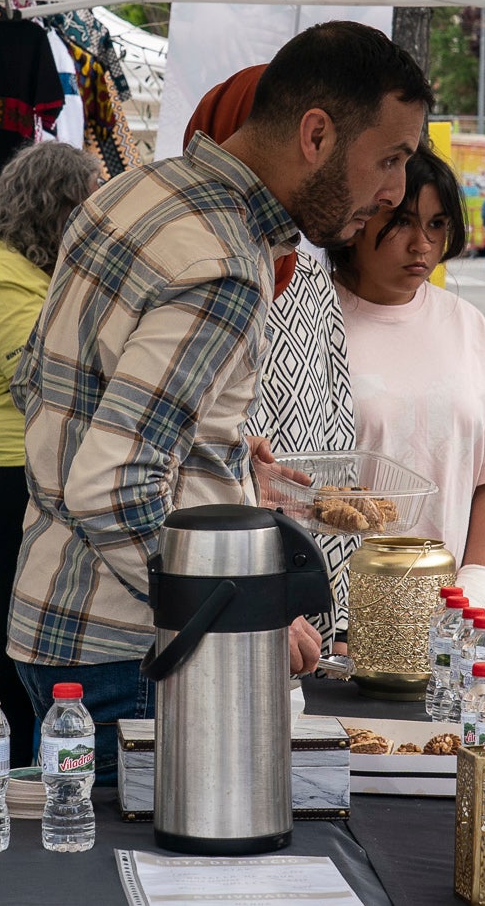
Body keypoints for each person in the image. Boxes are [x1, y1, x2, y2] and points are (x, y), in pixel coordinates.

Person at [10, 21, 431, 773]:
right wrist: (243, 615)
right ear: (316, 135)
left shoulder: (137, 192)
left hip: (62, 622)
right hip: (136, 653)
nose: (395, 191)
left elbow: (48, 392)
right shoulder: (223, 263)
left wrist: (219, 452)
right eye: (391, 158)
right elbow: (113, 486)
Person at [184, 67, 359, 645]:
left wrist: (333, 601)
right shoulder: (203, 266)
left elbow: (335, 429)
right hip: (213, 572)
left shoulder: (304, 272)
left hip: (290, 561)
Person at [331, 145, 485, 616]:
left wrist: (476, 586)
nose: (421, 244)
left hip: (452, 610)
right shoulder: (311, 320)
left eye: (437, 224)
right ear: (357, 221)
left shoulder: (468, 326)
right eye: (401, 221)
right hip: (336, 615)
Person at [0, 142, 101, 761]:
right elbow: (41, 374)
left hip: (28, 458)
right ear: (55, 205)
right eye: (87, 205)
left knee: (23, 615)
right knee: (19, 620)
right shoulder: (1, 274)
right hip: (6, 462)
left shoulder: (32, 267)